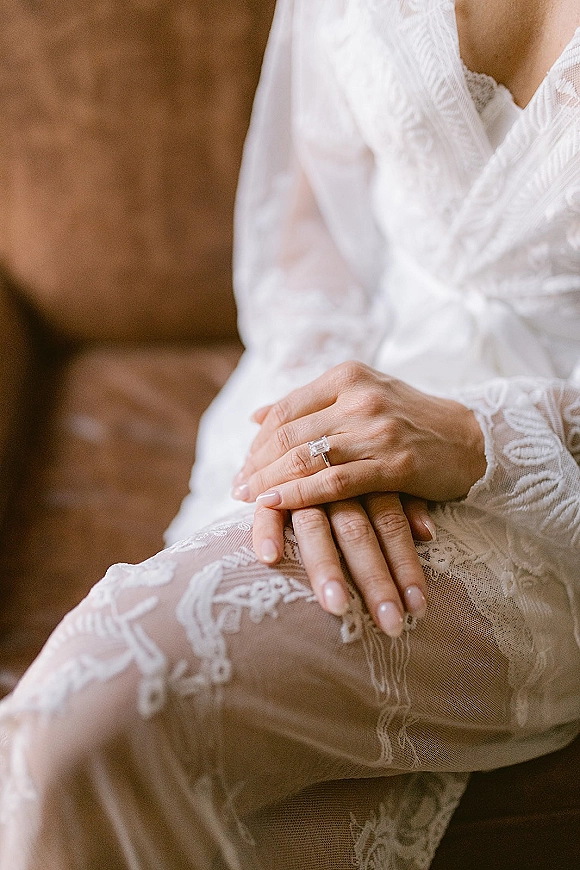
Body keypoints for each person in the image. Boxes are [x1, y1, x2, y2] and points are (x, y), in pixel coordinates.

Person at [1, 0, 580, 867]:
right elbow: (312, 256)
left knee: (89, 715)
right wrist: (318, 451)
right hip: (344, 386)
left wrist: (483, 435)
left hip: (551, 480)